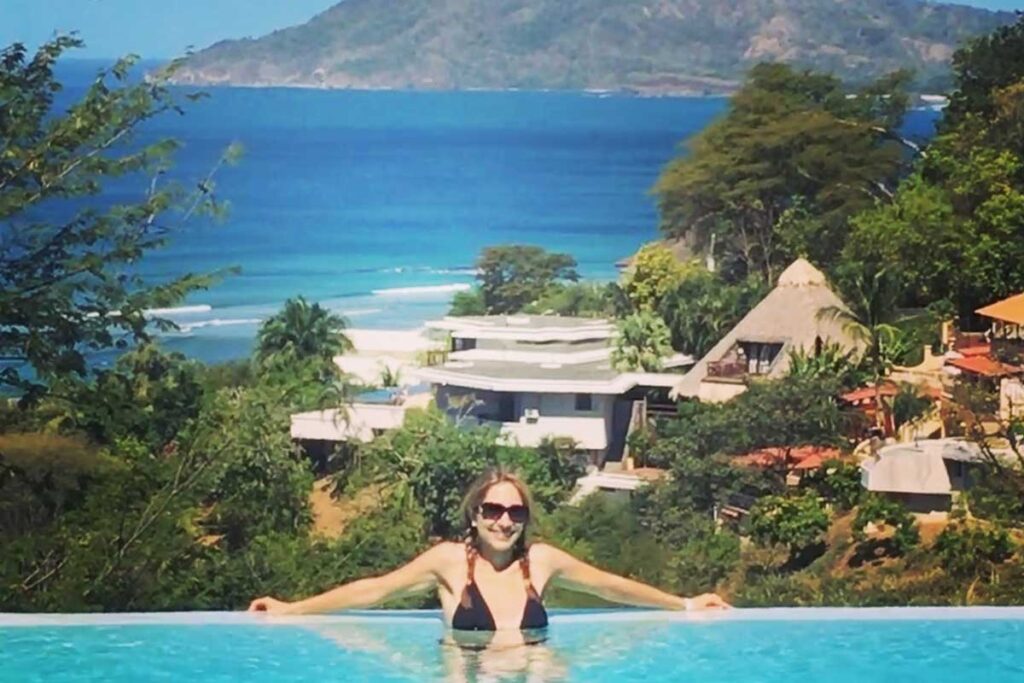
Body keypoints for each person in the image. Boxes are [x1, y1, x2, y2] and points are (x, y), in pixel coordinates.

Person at [248, 467, 730, 629]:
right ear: (475, 515)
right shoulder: (449, 561)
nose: (504, 520)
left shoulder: (541, 561)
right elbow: (373, 591)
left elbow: (612, 587)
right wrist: (292, 610)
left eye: (515, 513)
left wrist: (685, 603)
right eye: (494, 510)